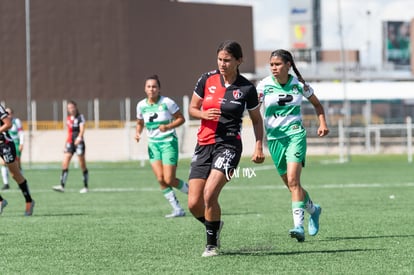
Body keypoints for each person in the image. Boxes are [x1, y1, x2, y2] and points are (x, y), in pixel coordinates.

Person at [188, 40, 265, 257]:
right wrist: (203, 114)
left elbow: (257, 120)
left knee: (210, 194)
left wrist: (258, 145)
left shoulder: (247, 88)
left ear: (239, 61)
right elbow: (192, 108)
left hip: (229, 145)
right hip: (203, 144)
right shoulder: (206, 79)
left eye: (227, 60)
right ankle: (214, 224)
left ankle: (211, 244)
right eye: (220, 59)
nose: (222, 63)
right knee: (194, 203)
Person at [256, 49, 329, 242]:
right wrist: (258, 145)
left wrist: (322, 123)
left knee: (293, 181)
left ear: (288, 65)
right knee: (291, 185)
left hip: (295, 136)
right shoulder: (263, 86)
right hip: (274, 140)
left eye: (278, 64)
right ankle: (314, 210)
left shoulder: (299, 85)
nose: (274, 68)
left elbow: (318, 105)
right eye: (271, 64)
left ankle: (298, 226)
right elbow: (254, 112)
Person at [135, 75, 189, 218]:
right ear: (145, 89)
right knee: (160, 178)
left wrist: (168, 126)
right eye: (149, 86)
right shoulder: (141, 105)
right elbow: (140, 122)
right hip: (153, 145)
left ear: (159, 89)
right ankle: (177, 209)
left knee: (170, 179)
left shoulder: (167, 102)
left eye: (154, 86)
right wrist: (137, 133)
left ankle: (194, 195)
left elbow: (181, 119)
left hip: (168, 143)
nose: (151, 89)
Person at [0, 104, 35, 216]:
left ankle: (29, 201)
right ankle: (1, 201)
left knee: (15, 175)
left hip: (4, 144)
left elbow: (8, 124)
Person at [53, 100, 89, 193]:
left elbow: (82, 129)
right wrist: (65, 144)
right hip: (70, 142)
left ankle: (85, 186)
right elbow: (69, 132)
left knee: (82, 164)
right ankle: (62, 185)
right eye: (69, 108)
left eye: (72, 107)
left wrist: (79, 138)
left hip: (79, 142)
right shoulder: (68, 119)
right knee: (65, 162)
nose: (71, 109)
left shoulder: (80, 117)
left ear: (76, 107)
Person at [1, 107, 25, 190]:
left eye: (9, 113)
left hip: (15, 143)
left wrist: (21, 143)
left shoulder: (16, 121)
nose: (8, 114)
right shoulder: (2, 122)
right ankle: (6, 183)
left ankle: (21, 182)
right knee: (3, 163)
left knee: (17, 164)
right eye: (6, 112)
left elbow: (21, 132)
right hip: (5, 143)